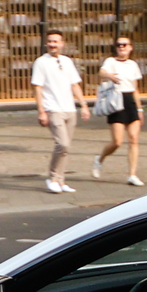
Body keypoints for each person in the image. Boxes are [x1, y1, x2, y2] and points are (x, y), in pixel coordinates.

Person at [30, 30, 86, 193]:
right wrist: (41, 111)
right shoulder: (41, 62)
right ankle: (53, 177)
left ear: (62, 44)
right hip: (53, 108)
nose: (53, 44)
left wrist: (83, 104)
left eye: (56, 41)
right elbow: (38, 88)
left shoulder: (67, 61)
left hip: (69, 108)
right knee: (62, 143)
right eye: (50, 41)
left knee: (66, 148)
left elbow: (75, 84)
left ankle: (61, 181)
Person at [93, 36, 144, 185]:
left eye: (124, 45)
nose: (121, 47)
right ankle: (100, 158)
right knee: (117, 141)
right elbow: (101, 72)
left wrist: (140, 108)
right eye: (118, 45)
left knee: (134, 138)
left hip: (130, 100)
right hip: (116, 99)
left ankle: (132, 174)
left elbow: (135, 88)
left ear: (130, 47)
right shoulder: (110, 61)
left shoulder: (133, 64)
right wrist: (109, 75)